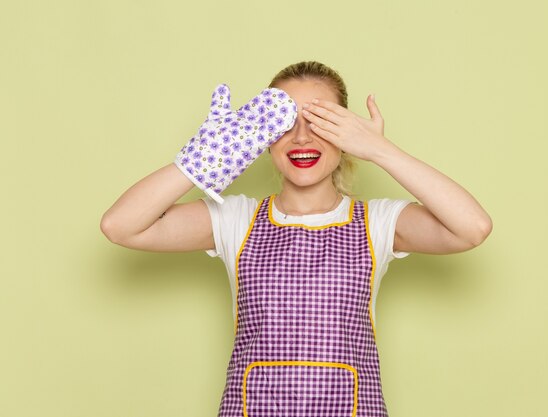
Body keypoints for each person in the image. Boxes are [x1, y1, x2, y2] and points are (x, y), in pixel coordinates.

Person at [100, 60, 492, 417]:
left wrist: (382, 151)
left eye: (321, 121)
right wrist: (199, 162)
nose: (302, 138)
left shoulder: (379, 222)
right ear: (260, 135)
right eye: (283, 122)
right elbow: (121, 226)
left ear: (347, 133)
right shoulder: (235, 219)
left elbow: (472, 227)